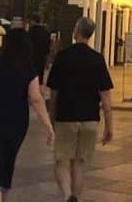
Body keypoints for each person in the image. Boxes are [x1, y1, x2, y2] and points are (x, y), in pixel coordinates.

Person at [0, 28, 55, 202]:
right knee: (8, 163)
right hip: (17, 124)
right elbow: (36, 99)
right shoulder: (29, 69)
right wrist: (48, 126)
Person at [47, 16, 114, 202]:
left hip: (65, 118)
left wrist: (51, 120)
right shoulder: (97, 60)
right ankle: (76, 196)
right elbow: (106, 99)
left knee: (62, 160)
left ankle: (68, 195)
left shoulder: (62, 57)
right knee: (79, 162)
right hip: (90, 120)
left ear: (76, 31)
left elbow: (54, 94)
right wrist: (109, 126)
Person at [27, 19, 52, 85]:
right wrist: (47, 60)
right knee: (40, 75)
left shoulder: (30, 31)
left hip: (31, 57)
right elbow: (48, 46)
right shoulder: (45, 32)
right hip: (42, 57)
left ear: (33, 21)